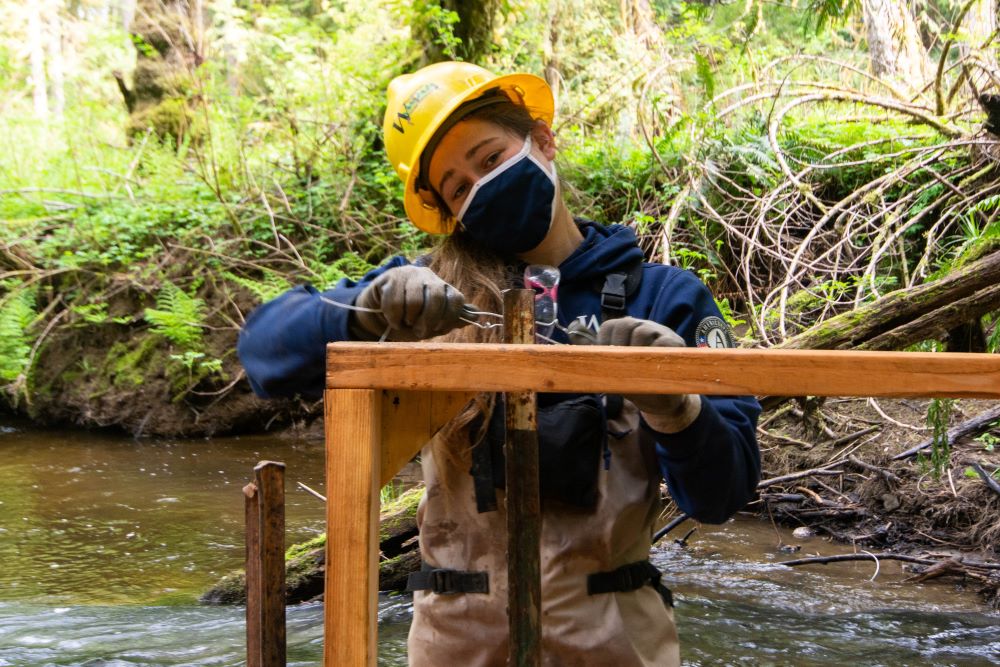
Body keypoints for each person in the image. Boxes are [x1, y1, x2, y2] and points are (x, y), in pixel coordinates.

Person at [237, 61, 760, 666]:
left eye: (489, 159)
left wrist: (678, 410)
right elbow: (263, 355)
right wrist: (363, 309)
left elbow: (723, 496)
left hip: (618, 645)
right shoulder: (429, 298)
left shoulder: (668, 299)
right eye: (458, 186)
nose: (481, 185)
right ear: (449, 212)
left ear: (542, 140)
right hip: (457, 647)